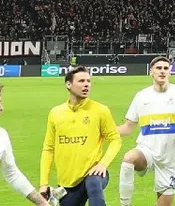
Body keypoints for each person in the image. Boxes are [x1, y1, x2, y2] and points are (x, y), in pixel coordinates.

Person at [118, 56, 175, 206]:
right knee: (129, 158)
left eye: (166, 68)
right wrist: (103, 130)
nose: (162, 71)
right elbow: (127, 127)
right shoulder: (141, 96)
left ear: (170, 72)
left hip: (169, 159)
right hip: (146, 151)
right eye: (158, 68)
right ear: (151, 72)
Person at [41, 66, 122, 206]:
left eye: (88, 81)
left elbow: (115, 139)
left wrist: (103, 164)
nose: (86, 84)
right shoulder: (55, 113)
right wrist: (43, 183)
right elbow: (48, 149)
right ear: (68, 84)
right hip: (67, 183)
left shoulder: (100, 110)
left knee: (94, 183)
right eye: (81, 81)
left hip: (93, 173)